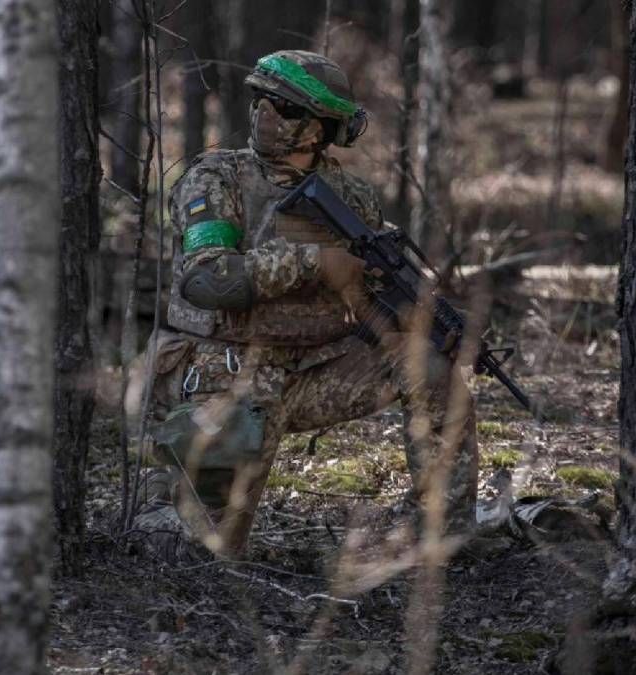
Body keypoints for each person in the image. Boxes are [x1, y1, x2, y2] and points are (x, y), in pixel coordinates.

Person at [132, 50, 478, 559]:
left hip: (317, 367)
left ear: (322, 128)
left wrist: (430, 320)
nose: (265, 115)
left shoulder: (352, 197)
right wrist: (311, 262)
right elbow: (205, 281)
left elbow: (373, 302)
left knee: (429, 367)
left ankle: (446, 537)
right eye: (262, 101)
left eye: (286, 108)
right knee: (207, 552)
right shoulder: (216, 179)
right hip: (226, 372)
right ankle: (163, 506)